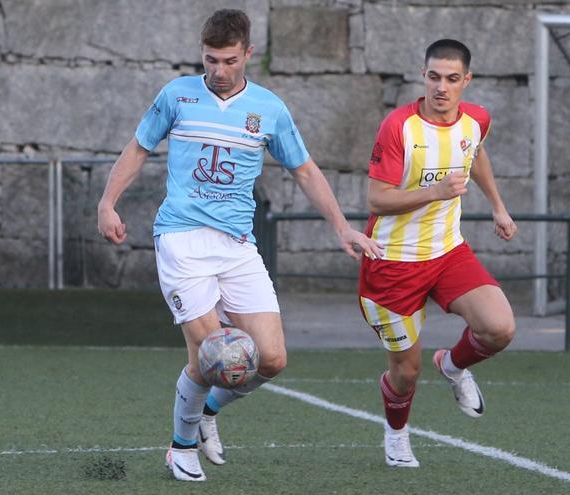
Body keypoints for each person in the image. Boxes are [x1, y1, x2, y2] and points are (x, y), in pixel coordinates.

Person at [97, 9, 382, 482]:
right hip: (182, 240)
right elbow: (138, 148)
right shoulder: (176, 95)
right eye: (210, 60)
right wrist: (108, 203)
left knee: (271, 359)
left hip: (237, 245)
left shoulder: (268, 109)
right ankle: (181, 447)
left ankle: (208, 411)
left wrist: (341, 227)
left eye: (229, 60)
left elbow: (305, 171)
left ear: (248, 53)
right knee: (209, 356)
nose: (218, 71)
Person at [358, 39, 517, 468]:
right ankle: (396, 435)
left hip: (448, 252)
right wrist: (435, 192)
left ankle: (452, 364)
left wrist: (497, 207)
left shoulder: (476, 119)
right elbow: (377, 199)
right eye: (433, 77)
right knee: (406, 373)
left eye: (451, 79)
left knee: (499, 328)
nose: (441, 88)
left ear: (467, 80)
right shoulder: (399, 127)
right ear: (423, 76)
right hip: (393, 263)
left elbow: (475, 152)